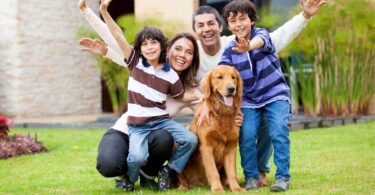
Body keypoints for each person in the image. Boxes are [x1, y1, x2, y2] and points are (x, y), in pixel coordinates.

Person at [192, 0, 326, 187]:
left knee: (278, 129)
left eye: (243, 19)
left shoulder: (261, 35)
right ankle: (251, 177)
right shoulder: (229, 51)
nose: (238, 24)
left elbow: (261, 41)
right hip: (250, 101)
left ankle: (282, 177)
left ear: (252, 20)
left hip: (275, 95)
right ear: (228, 26)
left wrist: (249, 46)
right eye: (233, 21)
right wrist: (209, 102)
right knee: (246, 134)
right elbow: (219, 76)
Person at [79, 0, 201, 192]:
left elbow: (186, 99)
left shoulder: (172, 78)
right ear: (168, 49)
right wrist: (96, 12)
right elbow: (115, 36)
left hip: (159, 128)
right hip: (129, 128)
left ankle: (161, 172)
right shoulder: (137, 62)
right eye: (178, 49)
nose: (182, 55)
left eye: (189, 52)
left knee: (181, 139)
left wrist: (199, 98)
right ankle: (127, 177)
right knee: (124, 160)